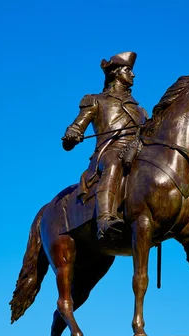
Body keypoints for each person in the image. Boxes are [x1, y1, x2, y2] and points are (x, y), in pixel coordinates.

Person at [62, 52, 148, 241]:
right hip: (109, 152)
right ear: (116, 73)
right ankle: (104, 221)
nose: (133, 75)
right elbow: (77, 126)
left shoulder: (141, 110)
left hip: (137, 151)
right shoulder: (96, 100)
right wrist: (72, 135)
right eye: (128, 70)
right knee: (113, 164)